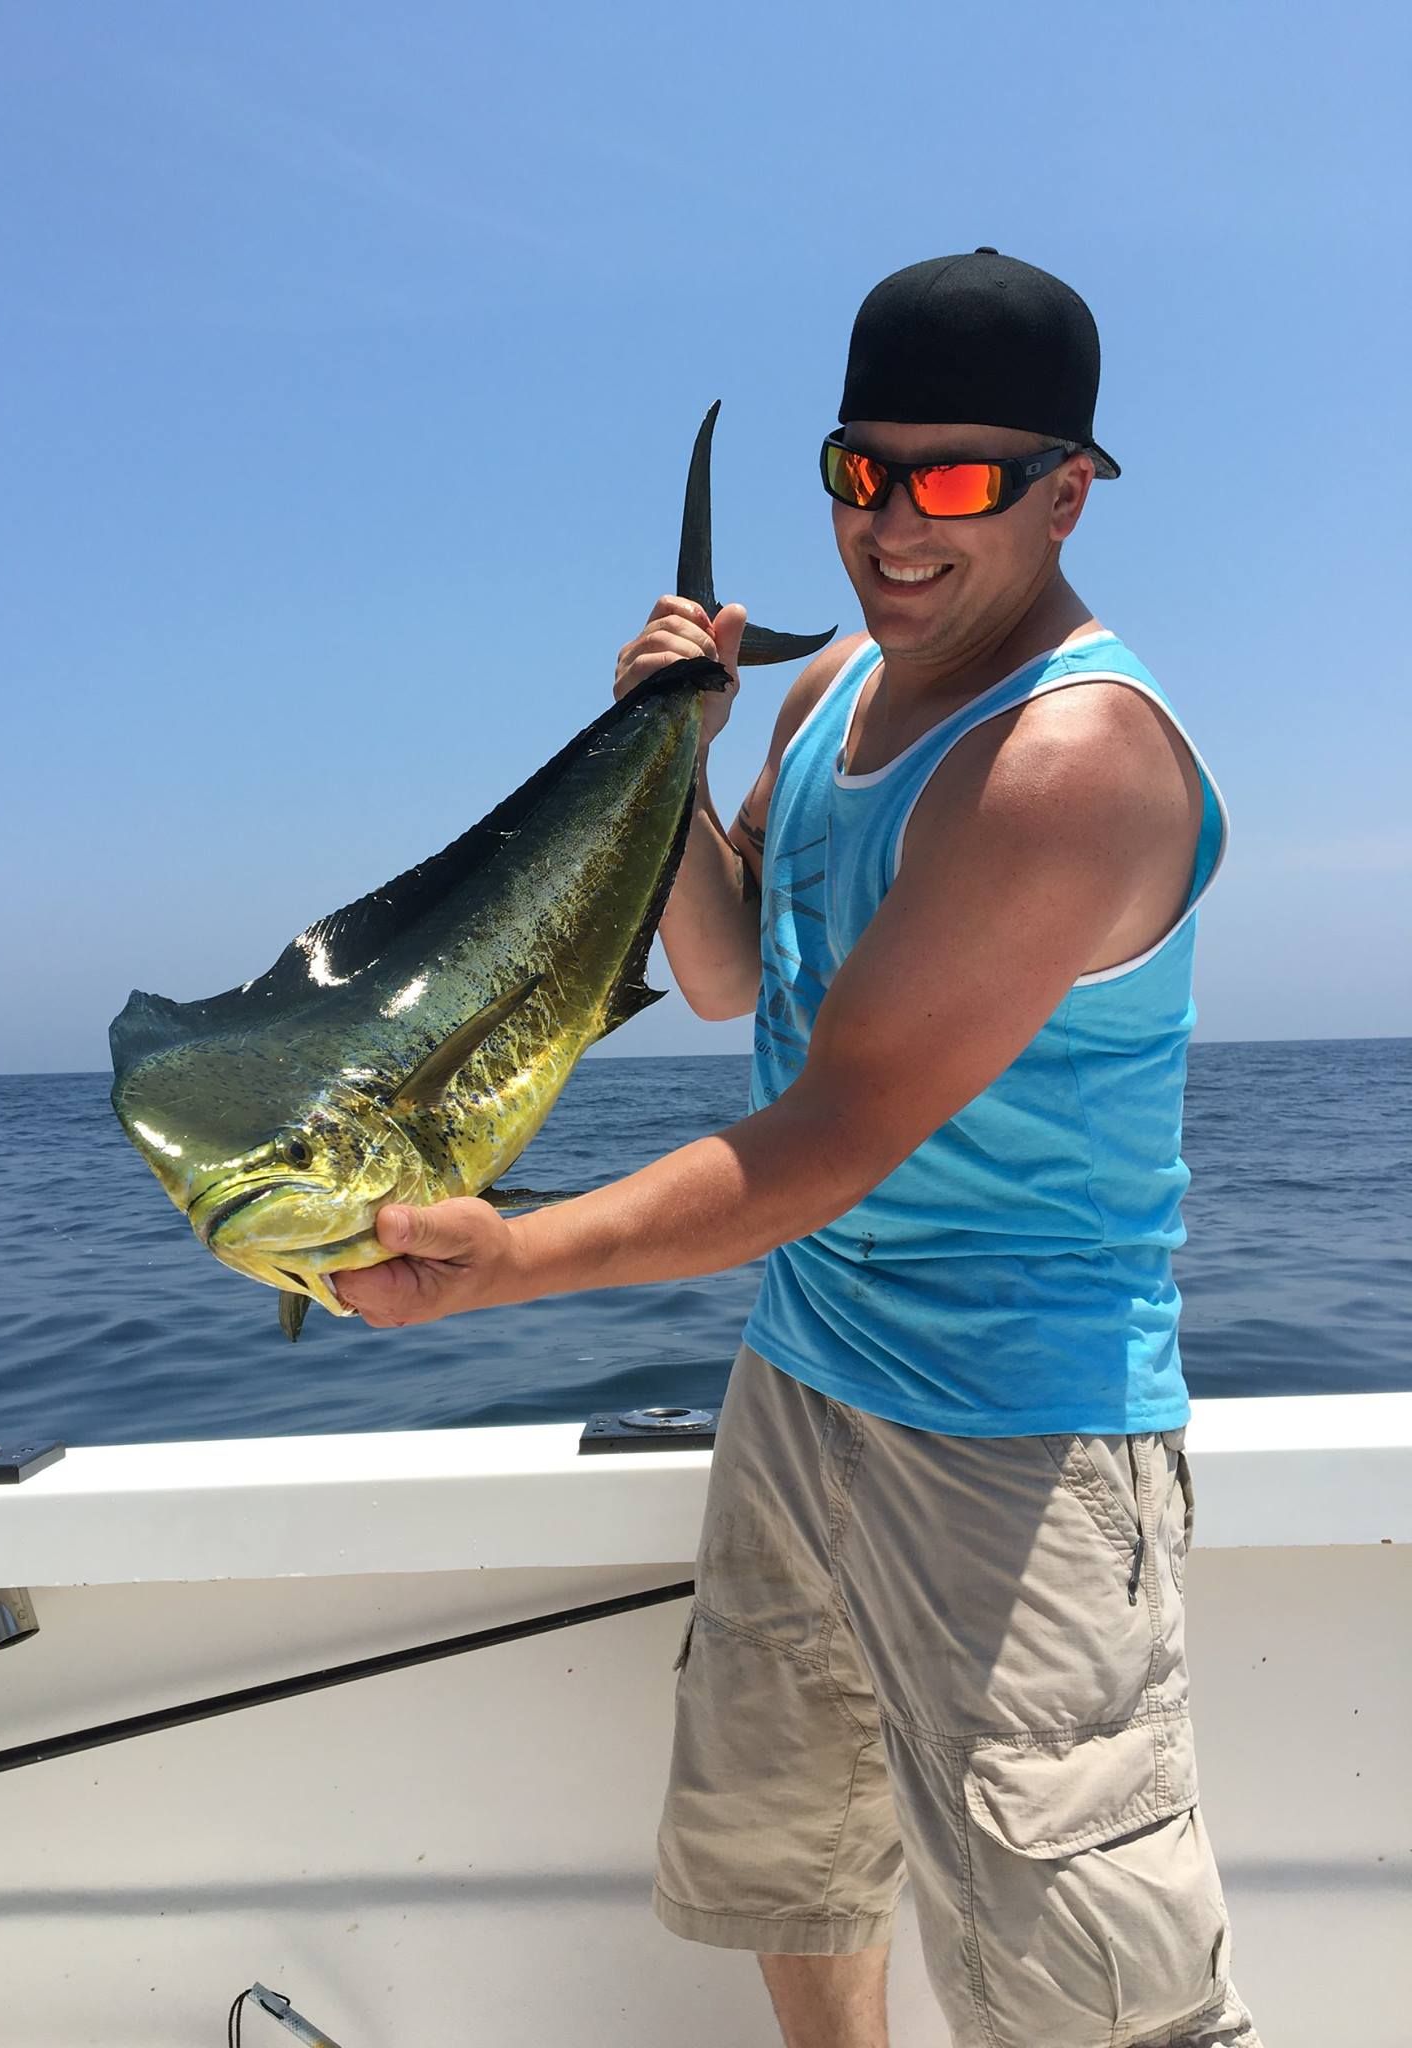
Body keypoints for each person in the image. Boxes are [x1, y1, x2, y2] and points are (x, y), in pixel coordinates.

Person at [336, 249, 1259, 2048]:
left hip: (1014, 1432)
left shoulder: (1071, 760)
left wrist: (520, 1254)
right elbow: (731, 970)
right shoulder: (835, 691)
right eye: (862, 472)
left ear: (1071, 492)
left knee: (1087, 1986)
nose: (897, 527)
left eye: (963, 480)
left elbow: (826, 1131)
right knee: (796, 1852)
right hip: (806, 1371)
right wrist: (669, 757)